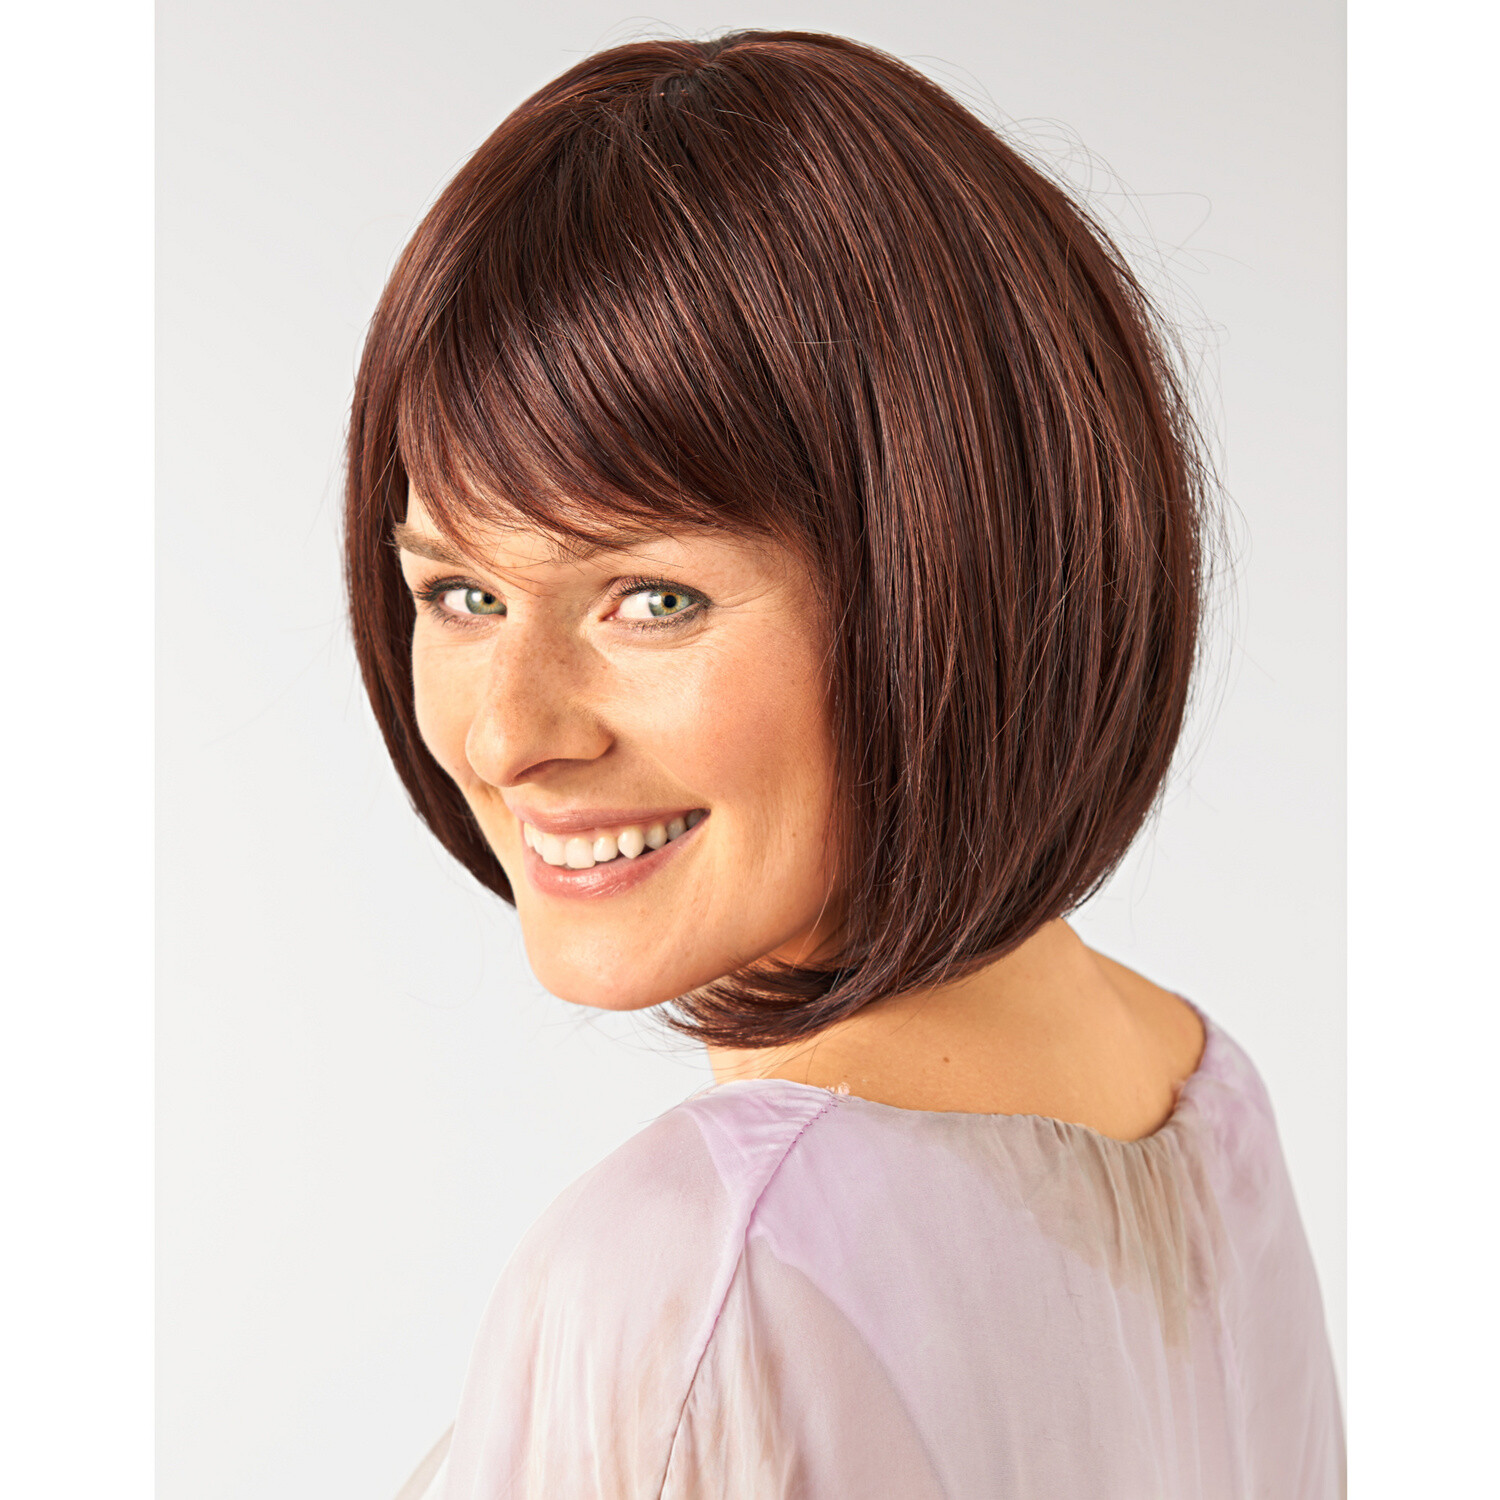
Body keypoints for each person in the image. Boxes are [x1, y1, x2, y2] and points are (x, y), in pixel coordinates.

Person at [345, 29, 1344, 1499]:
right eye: (461, 593)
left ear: (953, 584)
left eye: (652, 598)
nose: (507, 733)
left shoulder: (692, 1266)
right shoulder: (1205, 1100)